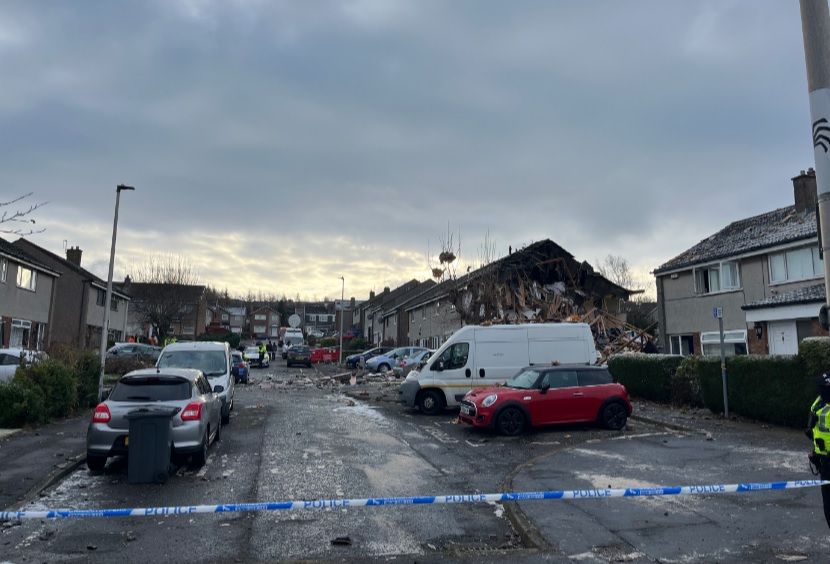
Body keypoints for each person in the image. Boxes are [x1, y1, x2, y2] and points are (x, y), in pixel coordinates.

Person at [807, 373, 830, 529]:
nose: (820, 390)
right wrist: (815, 452)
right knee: (828, 507)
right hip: (824, 462)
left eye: (823, 387)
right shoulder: (819, 402)